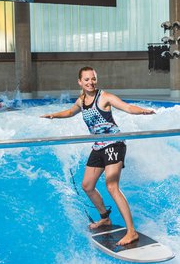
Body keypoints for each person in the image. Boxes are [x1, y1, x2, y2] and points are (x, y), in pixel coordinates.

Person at [41, 66, 155, 246]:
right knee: (87, 185)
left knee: (112, 186)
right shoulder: (81, 100)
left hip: (114, 144)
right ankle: (105, 218)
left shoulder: (104, 97)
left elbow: (126, 107)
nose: (90, 82)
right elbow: (70, 112)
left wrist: (142, 110)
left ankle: (131, 231)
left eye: (93, 79)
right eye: (86, 79)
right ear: (80, 82)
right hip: (98, 146)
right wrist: (54, 115)